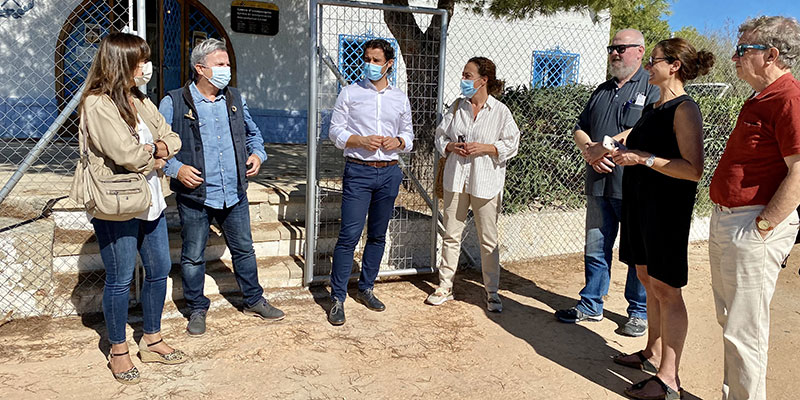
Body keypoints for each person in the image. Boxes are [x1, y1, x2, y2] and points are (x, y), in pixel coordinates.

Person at [69, 32, 186, 384]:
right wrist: (156, 153)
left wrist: (157, 149)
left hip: (151, 197)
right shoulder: (96, 103)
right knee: (120, 278)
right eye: (141, 61)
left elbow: (173, 137)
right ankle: (118, 349)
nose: (146, 67)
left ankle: (152, 338)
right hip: (116, 200)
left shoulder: (140, 99)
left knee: (159, 269)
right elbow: (126, 155)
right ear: (122, 63)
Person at [159, 38, 284, 336]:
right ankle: (196, 308)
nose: (227, 69)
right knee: (193, 256)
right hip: (196, 196)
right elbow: (157, 149)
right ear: (200, 68)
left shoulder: (234, 98)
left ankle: (253, 300)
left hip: (234, 192)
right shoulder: (173, 102)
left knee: (244, 250)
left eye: (227, 64)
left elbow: (253, 134)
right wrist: (176, 169)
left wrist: (257, 154)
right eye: (220, 64)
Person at [610, 38, 713, 399]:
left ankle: (669, 378)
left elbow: (693, 169)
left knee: (667, 290)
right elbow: (641, 146)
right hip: (639, 205)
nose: (647, 67)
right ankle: (652, 351)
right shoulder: (655, 106)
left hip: (666, 211)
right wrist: (619, 150)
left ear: (674, 66)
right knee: (646, 279)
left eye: (653, 61)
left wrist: (643, 158)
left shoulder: (685, 109)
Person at [708, 16, 800, 400]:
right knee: (731, 322)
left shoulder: (789, 98)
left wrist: (763, 227)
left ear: (771, 55)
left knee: (745, 331)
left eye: (742, 49)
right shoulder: (762, 97)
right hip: (731, 221)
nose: (734, 57)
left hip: (753, 226)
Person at [554, 29, 657, 337]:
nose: (614, 53)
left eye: (621, 48)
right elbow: (580, 127)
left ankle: (638, 312)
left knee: (637, 253)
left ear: (640, 51)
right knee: (596, 248)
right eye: (612, 48)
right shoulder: (602, 90)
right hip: (599, 184)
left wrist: (604, 147)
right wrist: (590, 151)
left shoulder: (651, 86)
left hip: (634, 187)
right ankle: (590, 305)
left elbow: (645, 129)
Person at [326, 38, 414, 326]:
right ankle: (337, 297)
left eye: (376, 60)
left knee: (377, 234)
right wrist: (360, 141)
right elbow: (335, 132)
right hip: (359, 171)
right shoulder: (350, 93)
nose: (370, 64)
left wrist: (398, 141)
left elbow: (409, 136)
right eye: (367, 59)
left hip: (389, 172)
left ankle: (366, 288)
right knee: (349, 235)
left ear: (389, 64)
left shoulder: (399, 98)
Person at [425, 57, 520, 312]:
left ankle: (492, 292)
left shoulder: (500, 112)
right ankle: (445, 286)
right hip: (456, 180)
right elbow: (440, 136)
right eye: (463, 75)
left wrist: (487, 148)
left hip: (485, 182)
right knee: (451, 234)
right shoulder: (457, 107)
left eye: (468, 76)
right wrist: (450, 146)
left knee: (488, 239)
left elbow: (512, 144)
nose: (463, 80)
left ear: (483, 80)